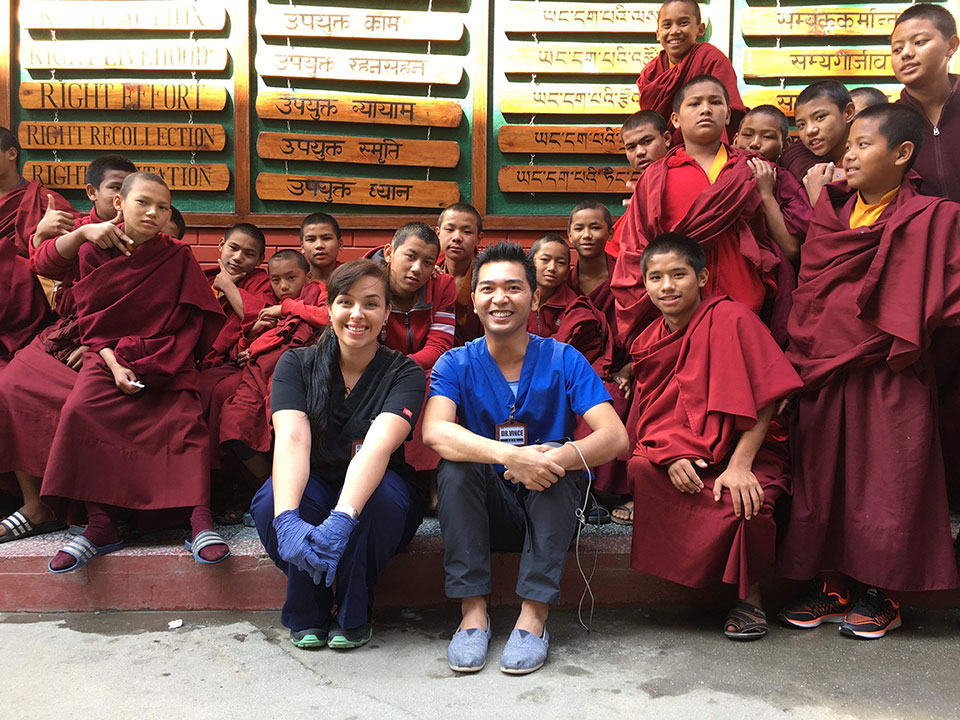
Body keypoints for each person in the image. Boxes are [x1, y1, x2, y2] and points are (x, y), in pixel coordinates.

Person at [777, 104, 960, 639]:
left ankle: (882, 593)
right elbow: (811, 292)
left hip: (890, 370)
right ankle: (832, 584)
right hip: (825, 369)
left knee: (887, 480)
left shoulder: (936, 217)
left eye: (863, 145)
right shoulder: (830, 215)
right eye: (849, 146)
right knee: (822, 477)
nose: (849, 155)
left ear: (903, 154)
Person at [422, 242, 628, 675]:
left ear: (534, 298)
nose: (501, 298)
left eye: (514, 288)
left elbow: (614, 437)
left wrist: (557, 457)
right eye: (488, 289)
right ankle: (473, 613)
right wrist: (509, 456)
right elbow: (435, 431)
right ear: (474, 299)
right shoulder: (455, 363)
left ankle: (533, 617)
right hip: (485, 512)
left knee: (558, 465)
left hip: (548, 512)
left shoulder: (562, 358)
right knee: (457, 465)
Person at [40, 172, 227, 571]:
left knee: (183, 417)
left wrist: (167, 355)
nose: (154, 213)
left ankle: (199, 521)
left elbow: (195, 320)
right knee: (81, 411)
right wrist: (114, 365)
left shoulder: (177, 255)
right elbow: (91, 321)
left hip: (166, 353)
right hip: (106, 354)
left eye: (163, 206)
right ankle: (101, 523)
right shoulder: (93, 250)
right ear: (119, 204)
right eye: (143, 202)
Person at [627, 233, 802, 640]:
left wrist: (740, 465)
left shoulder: (733, 318)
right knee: (640, 467)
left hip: (746, 450)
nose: (666, 286)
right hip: (686, 452)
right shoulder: (648, 342)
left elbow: (769, 399)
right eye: (655, 277)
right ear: (646, 284)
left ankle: (749, 597)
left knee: (749, 499)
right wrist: (669, 455)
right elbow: (651, 417)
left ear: (702, 276)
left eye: (678, 274)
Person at [249, 259, 426, 650]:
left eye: (371, 304)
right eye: (346, 302)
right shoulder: (296, 364)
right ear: (329, 310)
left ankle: (354, 610)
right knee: (268, 504)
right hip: (314, 480)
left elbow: (378, 444)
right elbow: (292, 437)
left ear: (386, 314)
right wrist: (287, 520)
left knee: (377, 503)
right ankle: (309, 611)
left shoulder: (405, 373)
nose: (357, 315)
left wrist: (342, 517)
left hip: (380, 486)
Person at [0, 154, 137, 542]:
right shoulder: (77, 227)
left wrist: (102, 344)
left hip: (119, 343)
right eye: (115, 189)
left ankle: (98, 508)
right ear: (93, 192)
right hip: (68, 334)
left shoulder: (147, 232)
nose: (122, 199)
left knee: (86, 401)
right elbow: (43, 266)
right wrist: (48, 234)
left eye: (129, 191)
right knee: (11, 386)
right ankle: (35, 503)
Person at [611, 74, 779, 354]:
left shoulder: (751, 169)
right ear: (675, 119)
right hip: (674, 308)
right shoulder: (656, 176)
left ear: (727, 116)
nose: (705, 109)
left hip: (741, 300)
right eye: (695, 104)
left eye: (715, 102)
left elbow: (771, 237)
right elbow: (635, 250)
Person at [218, 249, 322, 489]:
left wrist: (287, 308)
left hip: (297, 370)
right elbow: (242, 347)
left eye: (291, 278)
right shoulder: (266, 303)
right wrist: (252, 334)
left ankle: (296, 489)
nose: (283, 286)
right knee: (234, 423)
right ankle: (271, 488)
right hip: (257, 374)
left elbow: (330, 316)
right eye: (276, 280)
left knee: (285, 426)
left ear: (307, 277)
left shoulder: (318, 293)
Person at [0, 127, 73, 367]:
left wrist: (40, 238)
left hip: (24, 309)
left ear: (11, 153)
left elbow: (77, 253)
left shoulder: (42, 200)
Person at [636, 0, 746, 145]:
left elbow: (730, 112)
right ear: (658, 33)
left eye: (683, 23)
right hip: (666, 153)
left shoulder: (710, 59)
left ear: (700, 29)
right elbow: (650, 124)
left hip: (708, 147)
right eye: (667, 25)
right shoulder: (650, 73)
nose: (674, 31)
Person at [893, 3, 960, 203]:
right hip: (924, 233)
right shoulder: (890, 122)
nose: (905, 53)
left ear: (951, 45)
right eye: (897, 49)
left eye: (919, 42)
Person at [527, 233, 613, 375]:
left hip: (562, 376)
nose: (552, 268)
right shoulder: (516, 299)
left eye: (560, 262)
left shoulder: (575, 306)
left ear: (567, 271)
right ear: (530, 264)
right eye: (545, 260)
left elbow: (576, 354)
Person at [780, 81, 856, 205]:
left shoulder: (869, 152)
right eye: (801, 125)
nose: (810, 131)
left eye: (820, 117)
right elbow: (791, 154)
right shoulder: (797, 153)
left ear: (848, 113)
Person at [609, 111, 672, 258]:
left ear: (667, 139)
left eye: (647, 141)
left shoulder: (685, 174)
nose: (640, 152)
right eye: (631, 147)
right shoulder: (642, 188)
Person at [436, 203, 484, 345]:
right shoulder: (427, 271)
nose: (457, 237)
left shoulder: (489, 273)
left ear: (479, 238)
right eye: (449, 229)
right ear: (438, 233)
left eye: (467, 232)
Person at [300, 212, 342, 286]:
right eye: (311, 240)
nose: (319, 245)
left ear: (340, 244)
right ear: (302, 247)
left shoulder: (352, 278)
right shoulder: (294, 280)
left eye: (326, 238)